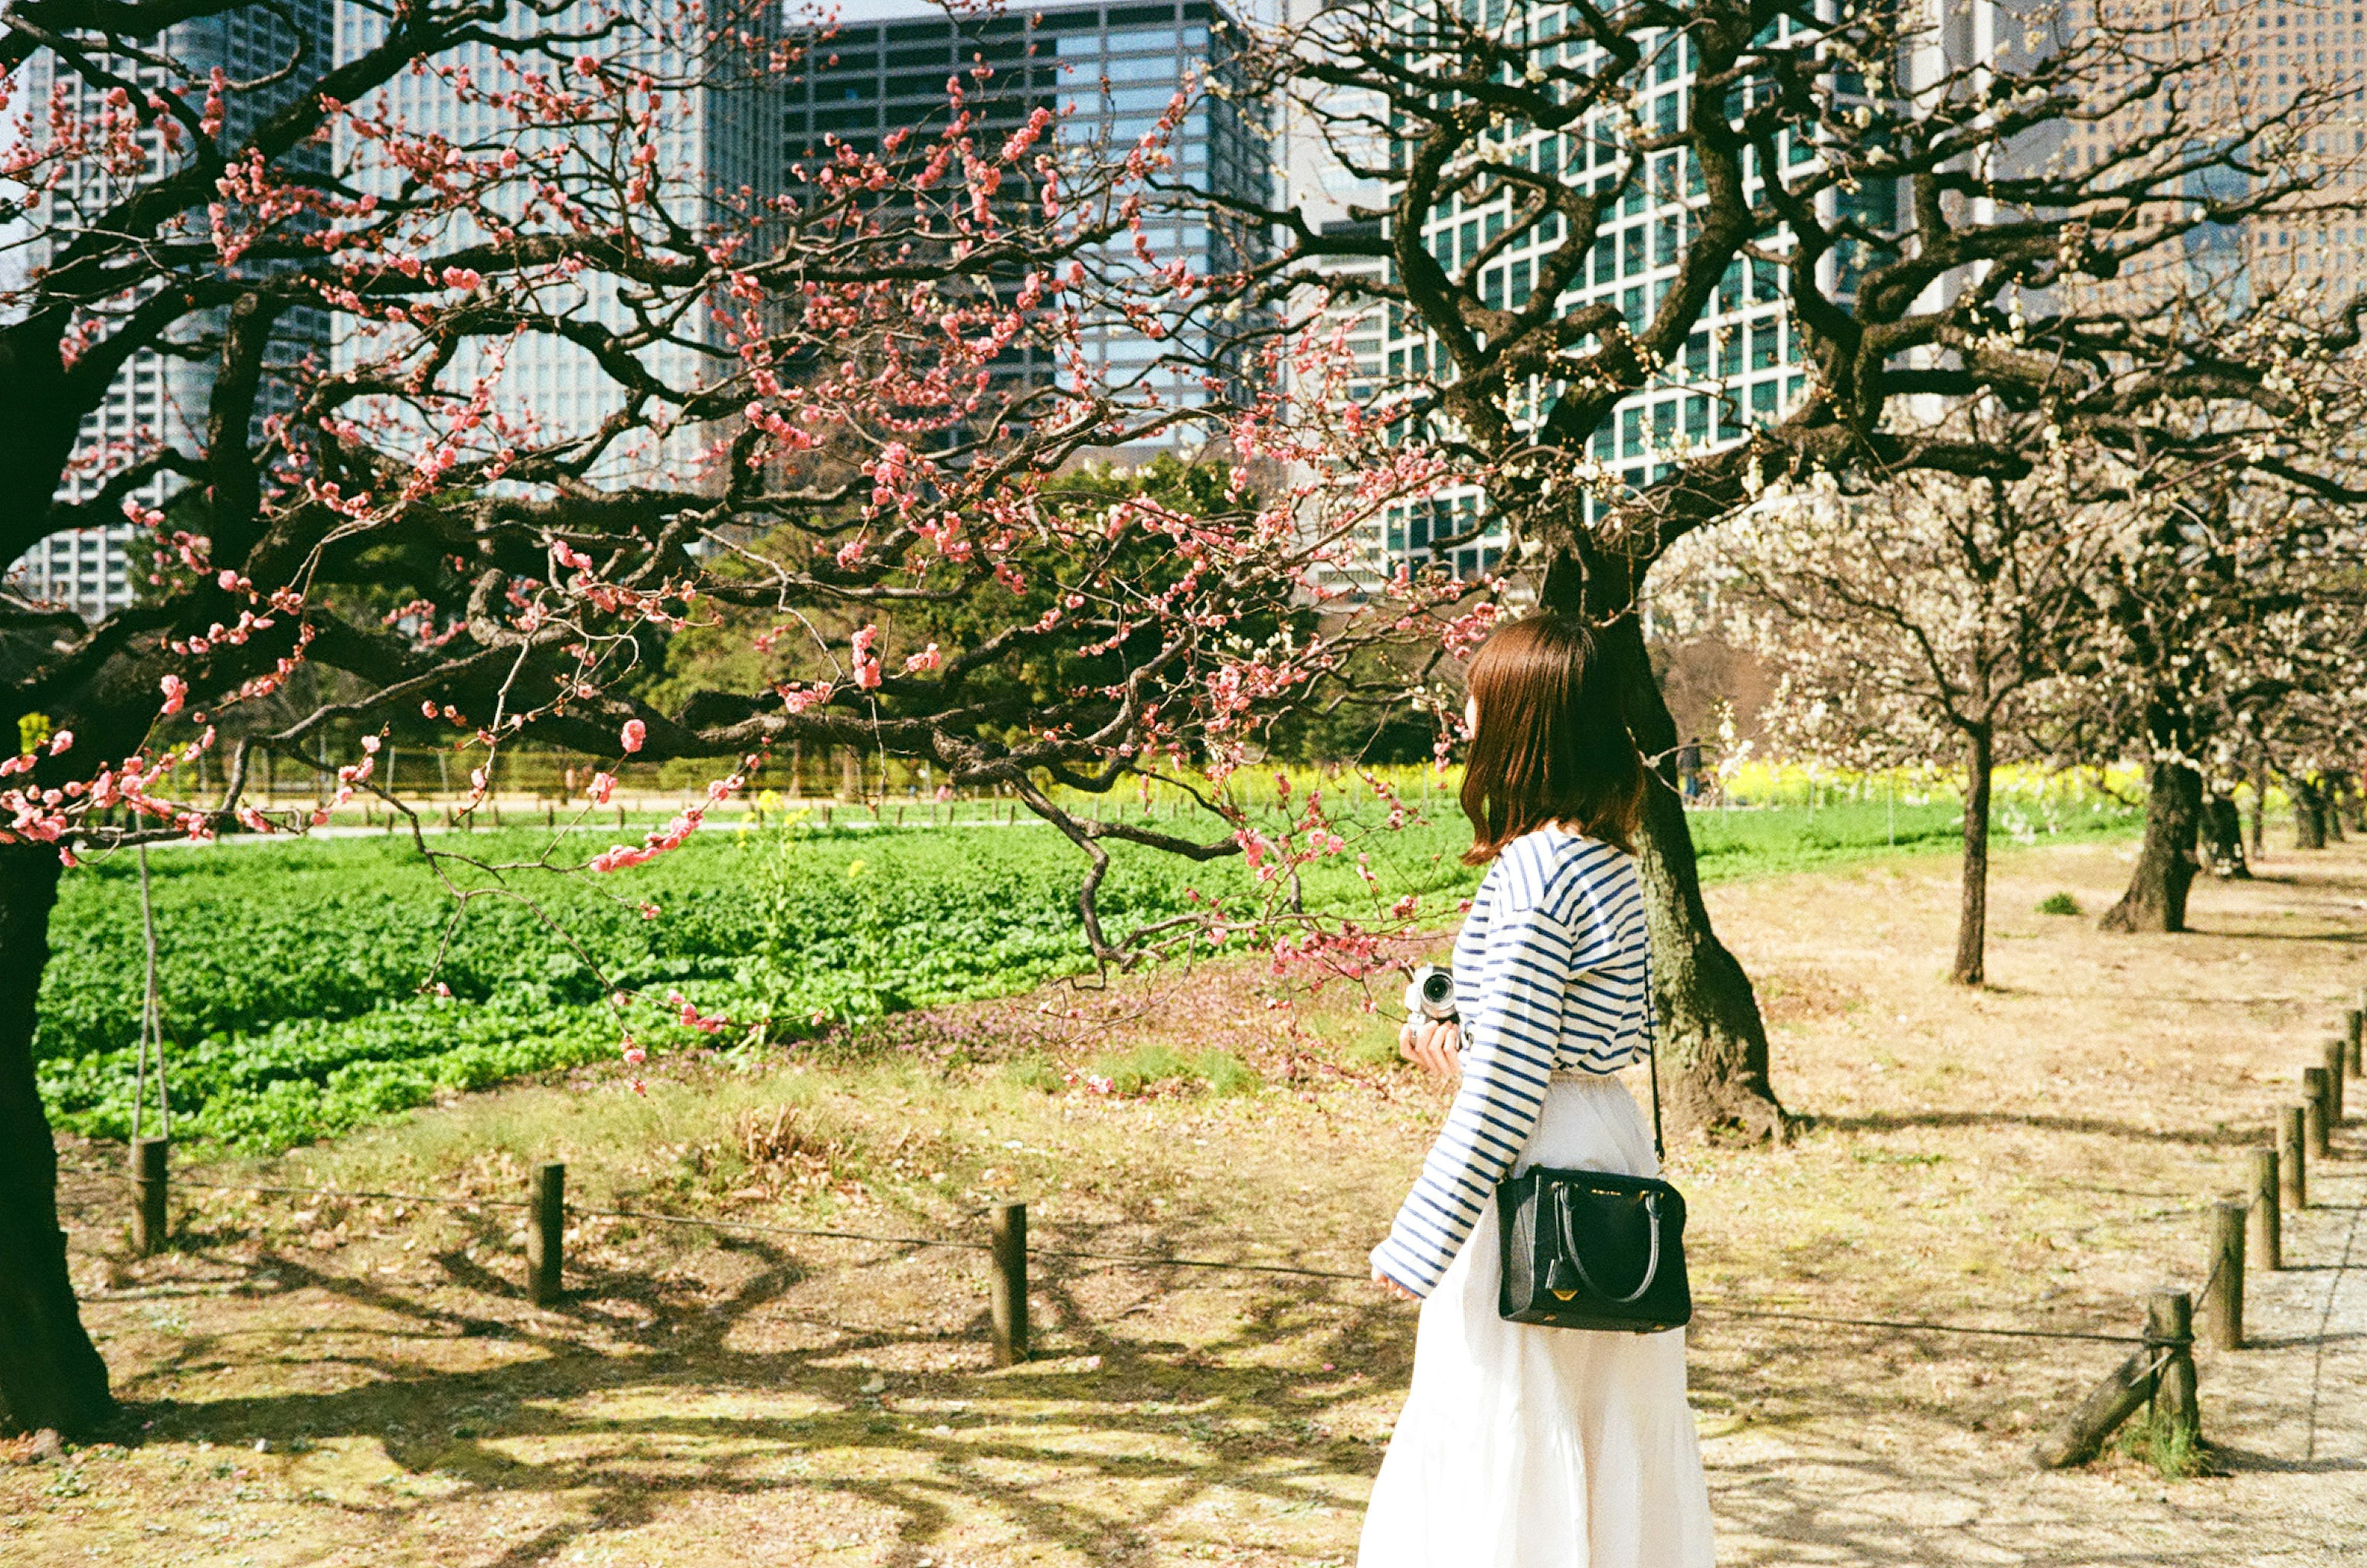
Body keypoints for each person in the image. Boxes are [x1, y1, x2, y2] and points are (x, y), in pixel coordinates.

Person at [1362, 612, 1715, 1568]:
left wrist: (1418, 1241)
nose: (1466, 714)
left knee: (1510, 1424)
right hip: (1609, 1151)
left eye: (1482, 695)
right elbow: (1579, 1040)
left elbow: (1508, 1095)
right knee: (1606, 1432)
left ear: (1524, 722)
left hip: (1533, 1180)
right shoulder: (1609, 861)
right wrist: (1473, 1051)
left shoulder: (1531, 876)